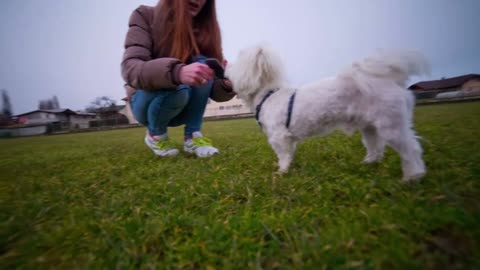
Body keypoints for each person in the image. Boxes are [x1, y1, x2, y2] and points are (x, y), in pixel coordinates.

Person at [121, 0, 235, 158]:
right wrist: (177, 72)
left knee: (203, 65)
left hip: (183, 105)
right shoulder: (145, 15)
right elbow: (131, 68)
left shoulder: (206, 30)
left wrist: (226, 84)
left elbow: (209, 89)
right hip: (145, 103)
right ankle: (156, 135)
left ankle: (193, 136)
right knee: (180, 89)